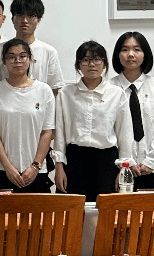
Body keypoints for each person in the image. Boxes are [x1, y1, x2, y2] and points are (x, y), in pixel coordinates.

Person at [53, 41, 134, 201]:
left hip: (106, 161)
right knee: (72, 210)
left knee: (105, 209)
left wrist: (123, 169)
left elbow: (124, 132)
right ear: (78, 65)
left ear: (104, 63)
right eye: (85, 60)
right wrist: (59, 167)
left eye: (97, 59)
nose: (91, 64)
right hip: (75, 159)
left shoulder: (116, 94)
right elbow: (59, 132)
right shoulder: (66, 93)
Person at [0, 38, 54, 193]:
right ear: (4, 61)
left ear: (30, 59)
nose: (17, 61)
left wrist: (35, 166)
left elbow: (47, 132)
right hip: (1, 170)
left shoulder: (44, 91)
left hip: (36, 172)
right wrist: (8, 167)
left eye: (23, 56)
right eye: (11, 57)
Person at [110, 32, 154, 191]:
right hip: (118, 169)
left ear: (145, 54)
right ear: (117, 55)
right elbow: (107, 131)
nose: (130, 54)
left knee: (153, 208)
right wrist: (126, 162)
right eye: (125, 49)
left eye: (137, 49)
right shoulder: (109, 88)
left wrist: (150, 162)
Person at [0, 0, 63, 94]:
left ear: (39, 20)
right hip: (3, 101)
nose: (25, 21)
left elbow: (55, 88)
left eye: (31, 16)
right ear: (12, 19)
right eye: (20, 15)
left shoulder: (48, 51)